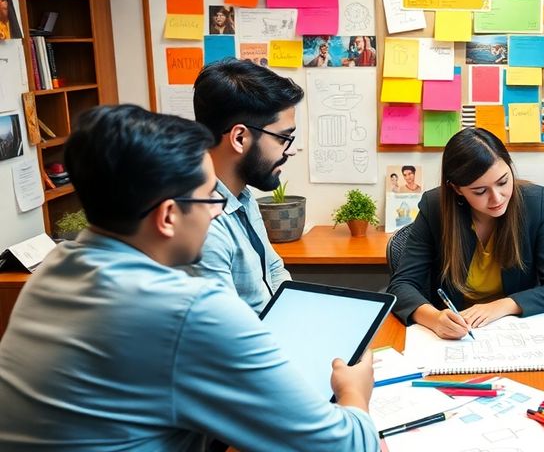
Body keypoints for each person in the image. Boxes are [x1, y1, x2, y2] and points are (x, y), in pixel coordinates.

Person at [0, 105, 378, 450]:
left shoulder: (54, 267)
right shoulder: (188, 309)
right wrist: (354, 392)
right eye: (208, 199)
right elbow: (341, 446)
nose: (216, 213)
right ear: (167, 217)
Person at [387, 128, 544, 339]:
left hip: (515, 331)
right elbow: (401, 285)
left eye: (503, 182)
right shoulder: (435, 208)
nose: (497, 198)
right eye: (480, 191)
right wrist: (435, 318)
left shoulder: (534, 203)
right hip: (457, 335)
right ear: (457, 189)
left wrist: (502, 306)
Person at [191, 58, 300, 313]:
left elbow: (273, 270)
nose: (290, 151)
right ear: (240, 138)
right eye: (283, 138)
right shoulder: (202, 228)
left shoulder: (241, 195)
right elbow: (224, 339)